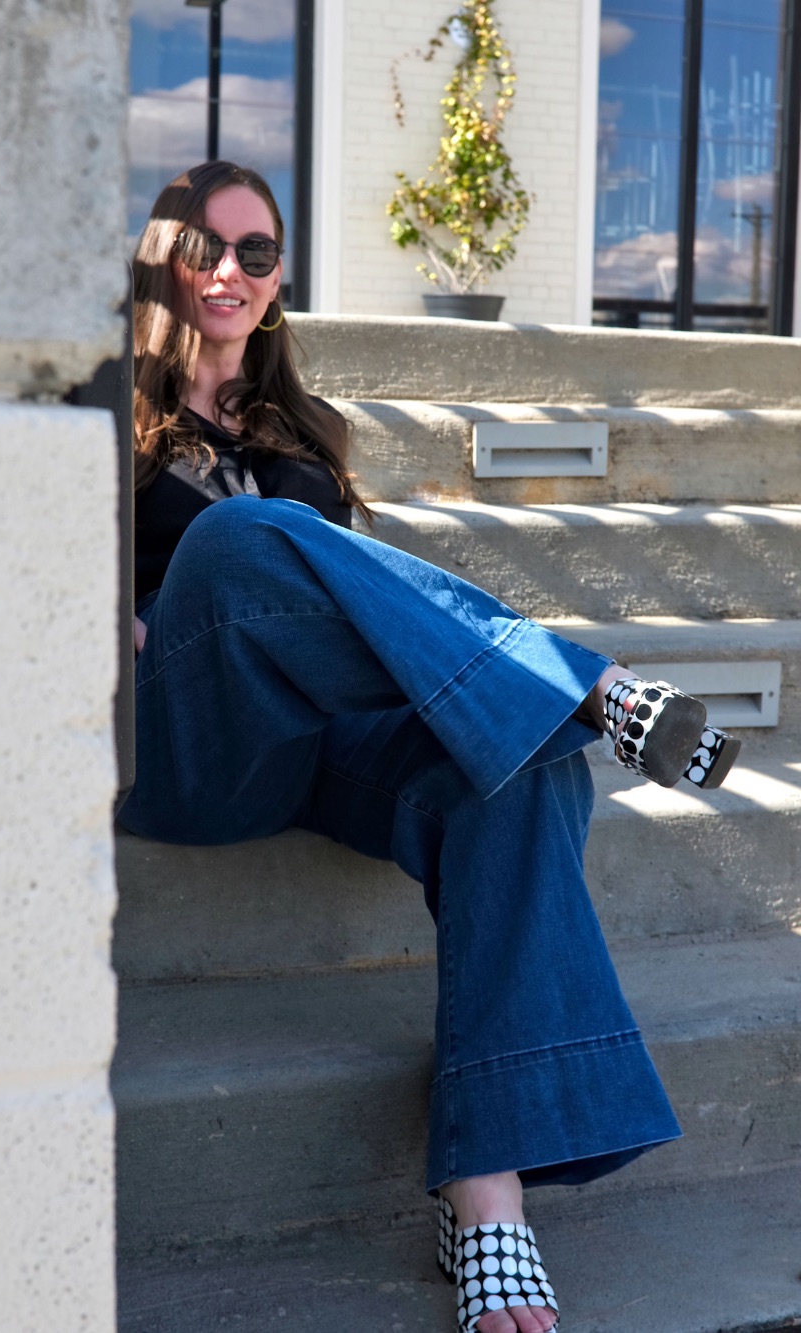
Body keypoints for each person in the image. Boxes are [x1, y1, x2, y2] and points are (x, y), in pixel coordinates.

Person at [116, 162, 739, 1333]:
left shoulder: (304, 428)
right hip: (183, 730)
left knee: (519, 767)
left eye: (256, 253)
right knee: (247, 537)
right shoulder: (99, 415)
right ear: (160, 255)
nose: (230, 272)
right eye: (206, 245)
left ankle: (486, 1197)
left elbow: (356, 622)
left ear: (278, 275)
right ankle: (582, 681)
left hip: (317, 745)